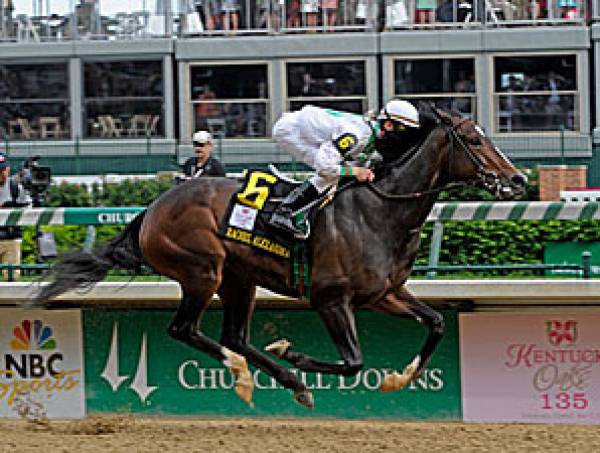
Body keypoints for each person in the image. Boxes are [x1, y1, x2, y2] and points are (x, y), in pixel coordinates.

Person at [269, 99, 421, 237]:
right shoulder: (356, 135)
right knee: (332, 173)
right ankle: (284, 212)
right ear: (388, 125)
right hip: (290, 131)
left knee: (347, 170)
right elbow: (325, 167)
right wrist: (355, 172)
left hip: (309, 131)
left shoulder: (369, 136)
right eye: (402, 130)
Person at [0, 152, 31, 280]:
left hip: (11, 238)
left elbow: (28, 210)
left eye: (3, 170)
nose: (1, 174)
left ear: (7, 169)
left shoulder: (15, 187)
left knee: (12, 279)